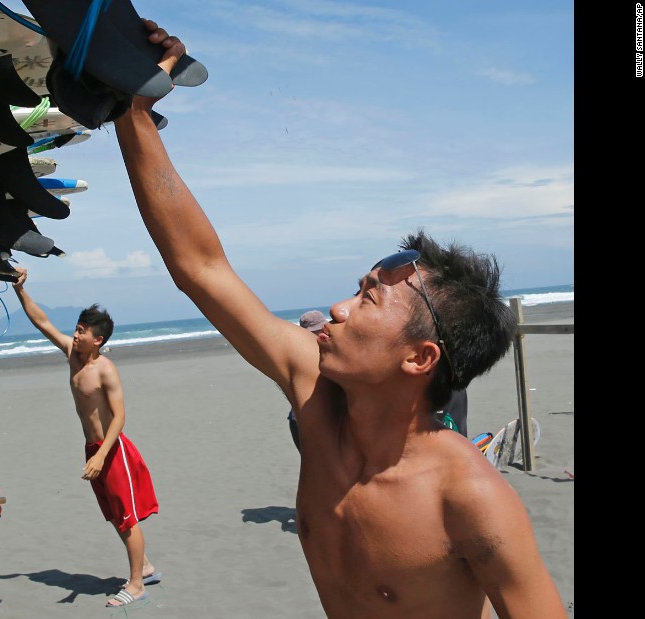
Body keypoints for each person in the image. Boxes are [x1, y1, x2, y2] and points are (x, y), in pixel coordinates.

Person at [110, 20, 567, 618]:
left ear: (419, 357)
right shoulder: (316, 397)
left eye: (369, 299)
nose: (337, 309)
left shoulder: (469, 497)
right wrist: (133, 113)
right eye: (357, 289)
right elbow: (200, 267)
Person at [12, 266, 160, 608]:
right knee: (114, 515)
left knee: (126, 518)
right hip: (93, 448)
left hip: (111, 450)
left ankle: (137, 584)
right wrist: (21, 291)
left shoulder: (105, 369)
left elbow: (120, 417)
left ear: (99, 340)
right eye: (76, 330)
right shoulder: (72, 355)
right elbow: (42, 322)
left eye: (81, 332)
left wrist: (100, 456)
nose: (74, 336)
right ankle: (146, 566)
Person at [287, 310, 328, 452]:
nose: (320, 334)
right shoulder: (301, 355)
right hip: (302, 419)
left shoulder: (328, 350)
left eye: (322, 329)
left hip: (315, 416)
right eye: (316, 331)